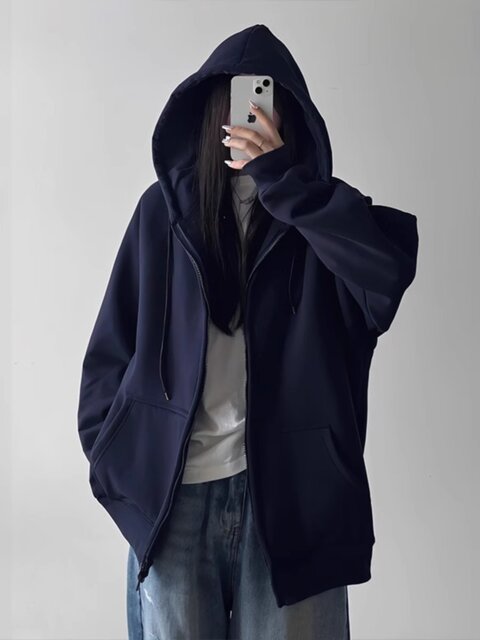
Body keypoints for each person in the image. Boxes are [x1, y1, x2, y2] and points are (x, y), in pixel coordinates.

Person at [77, 23, 419, 640]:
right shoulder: (161, 214)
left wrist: (286, 183)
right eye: (237, 102)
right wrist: (122, 460)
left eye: (267, 101)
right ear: (212, 113)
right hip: (175, 502)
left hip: (292, 501)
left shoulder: (320, 220)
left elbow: (385, 277)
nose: (252, 115)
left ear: (292, 118)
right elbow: (110, 351)